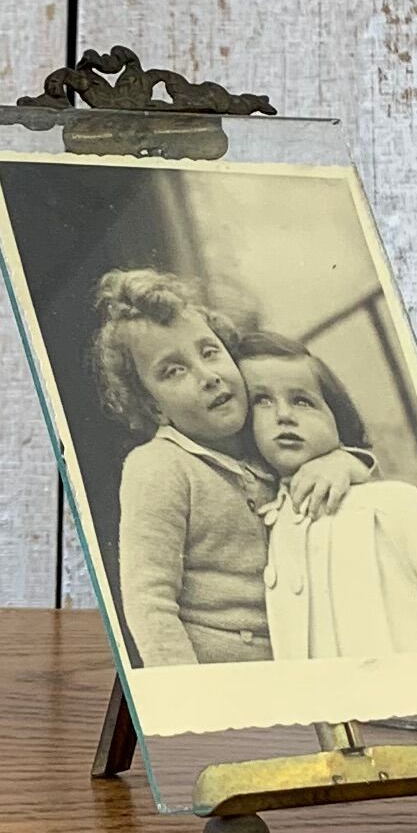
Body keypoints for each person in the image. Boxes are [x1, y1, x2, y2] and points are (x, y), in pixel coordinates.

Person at [88, 270, 372, 666]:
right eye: (173, 371)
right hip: (226, 676)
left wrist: (343, 461)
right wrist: (195, 704)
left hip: (305, 656)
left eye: (209, 352)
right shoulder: (158, 466)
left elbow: (332, 449)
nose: (208, 377)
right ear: (153, 406)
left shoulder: (260, 438)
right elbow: (149, 604)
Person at [239, 330, 417, 666]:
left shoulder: (391, 504)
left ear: (338, 417)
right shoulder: (263, 521)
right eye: (261, 400)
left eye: (302, 400)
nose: (283, 415)